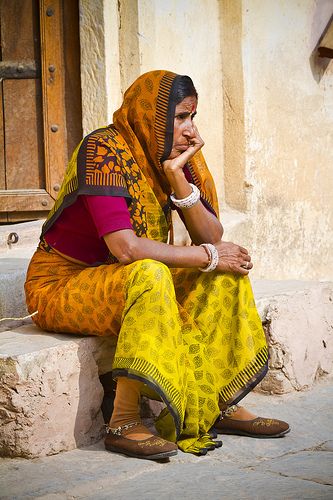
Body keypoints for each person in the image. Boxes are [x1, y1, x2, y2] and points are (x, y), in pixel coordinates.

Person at [25, 70, 289, 461]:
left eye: (192, 117)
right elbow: (127, 248)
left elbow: (212, 236)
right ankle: (124, 420)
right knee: (151, 274)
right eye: (180, 117)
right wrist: (207, 256)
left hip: (118, 277)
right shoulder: (102, 149)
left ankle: (216, 402)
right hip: (62, 284)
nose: (189, 129)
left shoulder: (174, 157)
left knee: (224, 276)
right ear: (152, 114)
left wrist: (178, 179)